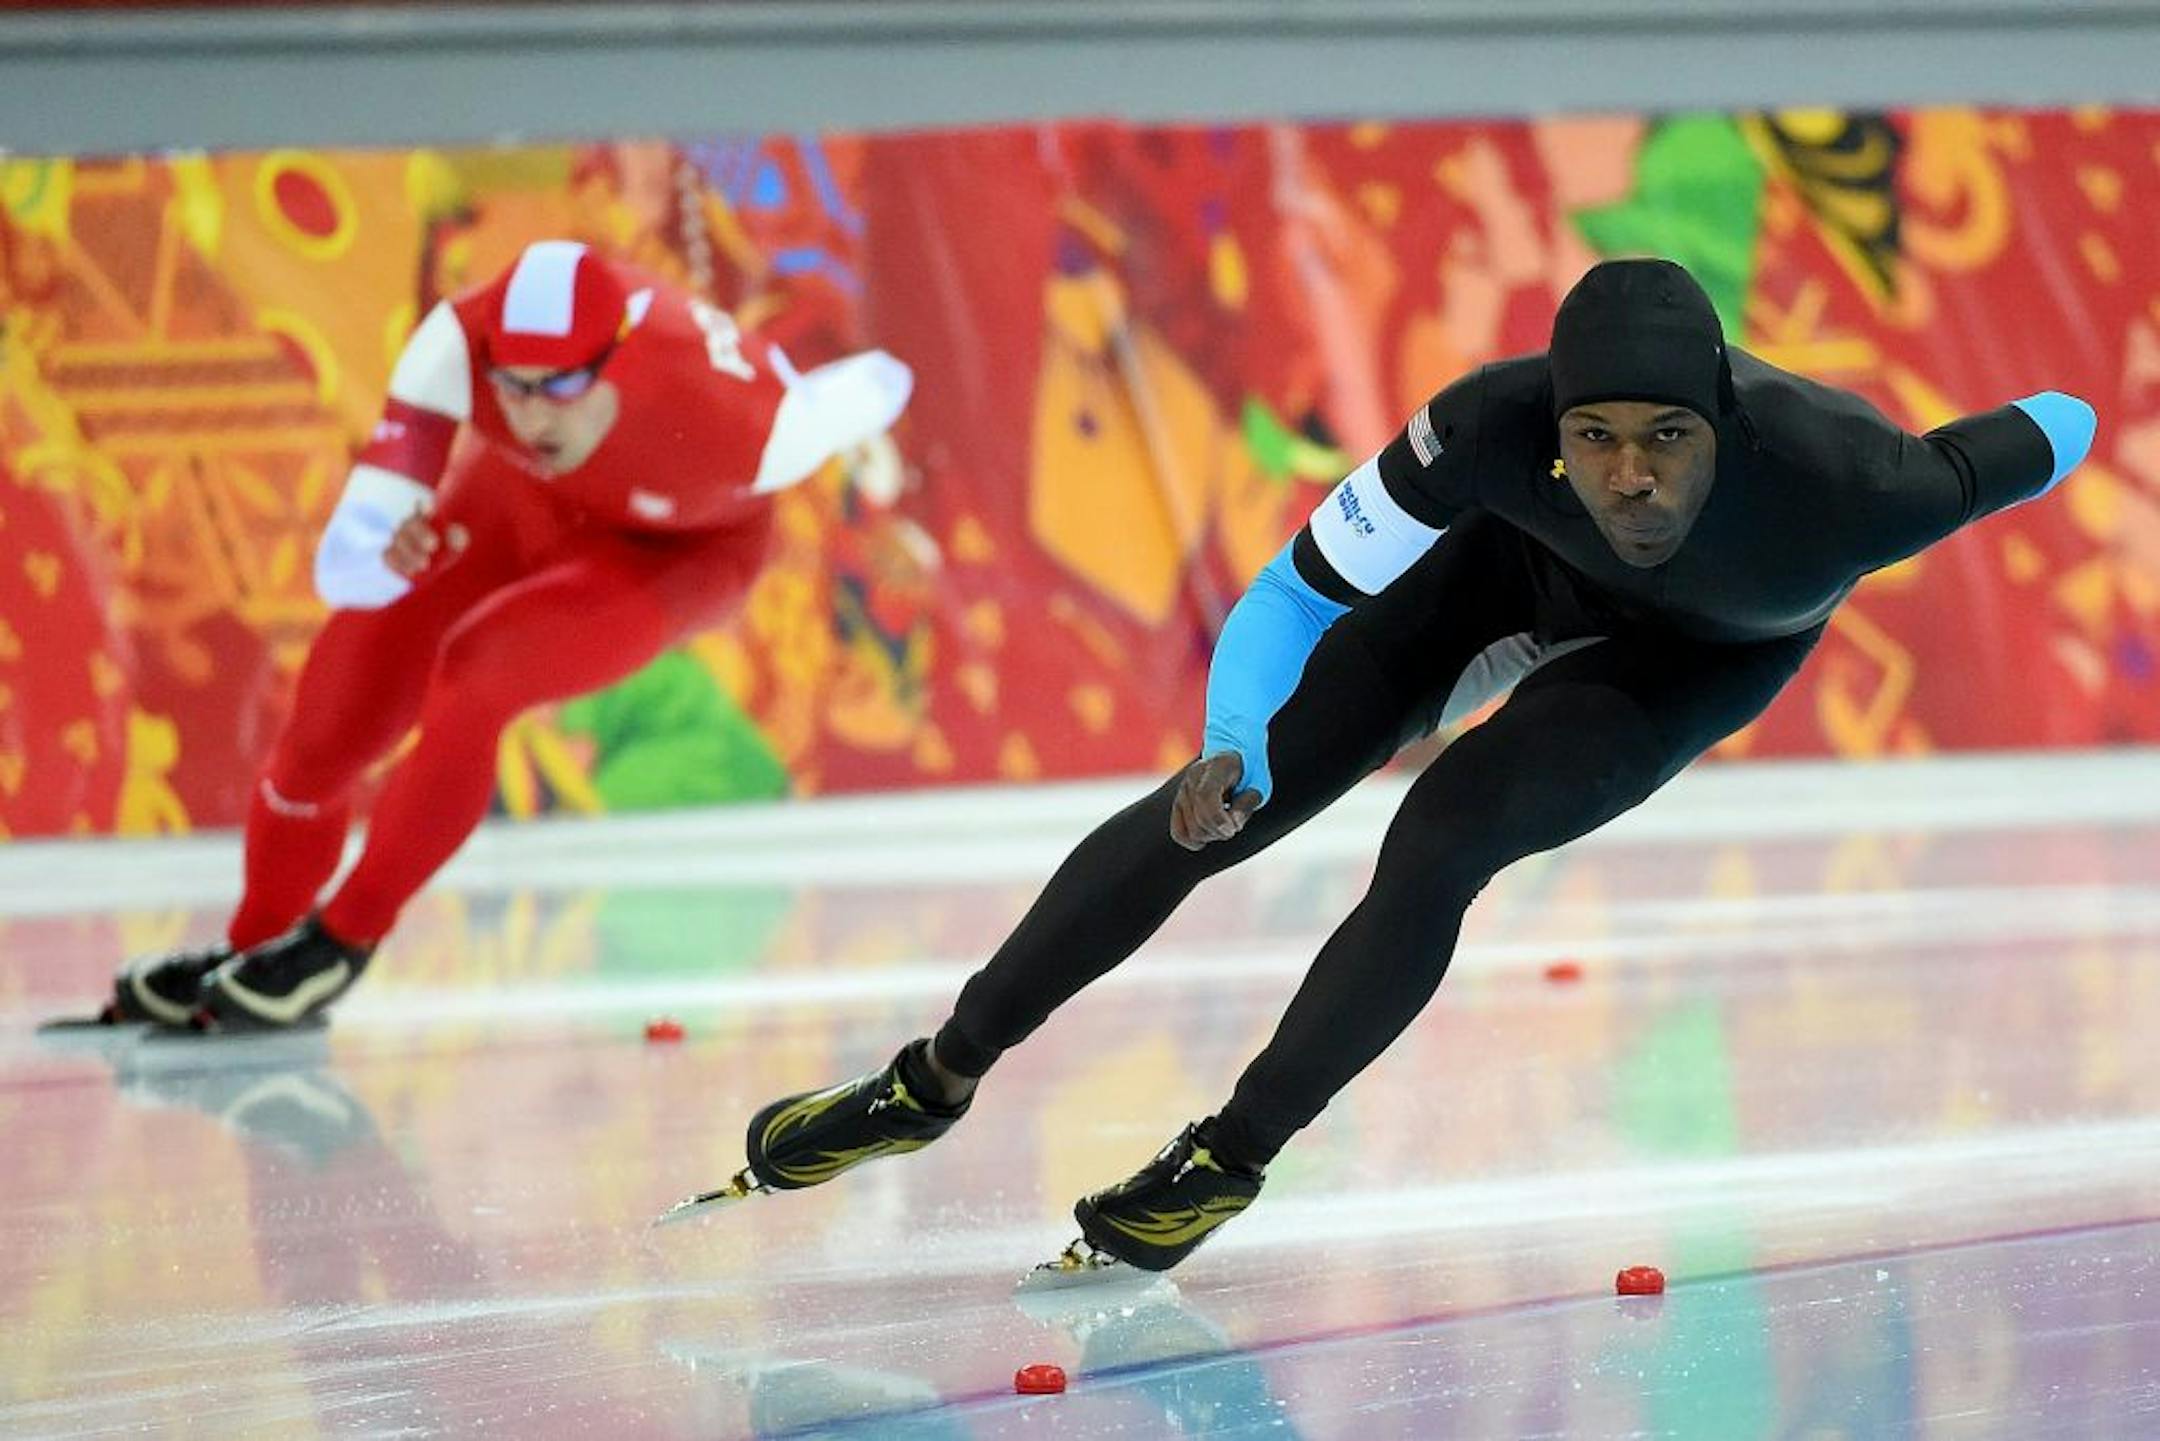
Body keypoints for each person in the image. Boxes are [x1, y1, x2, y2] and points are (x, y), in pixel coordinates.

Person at [699, 257, 2095, 1274]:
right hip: (1503, 576)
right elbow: (1291, 599)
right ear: (1548, 426)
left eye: (1669, 441)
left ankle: (1225, 1160)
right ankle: (930, 1079)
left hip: (1694, 659)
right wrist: (1230, 745)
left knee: (1444, 831)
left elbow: (2058, 423)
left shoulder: (1862, 484)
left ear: (1725, 425)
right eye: (1594, 440)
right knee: (1217, 814)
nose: (1632, 480)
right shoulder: (1480, 426)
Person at [104, 239, 912, 1030]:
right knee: (325, 732)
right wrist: (385, 543)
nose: (528, 412)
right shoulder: (453, 346)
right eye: (511, 386)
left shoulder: (753, 425)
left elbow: (879, 382)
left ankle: (342, 937)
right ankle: (251, 949)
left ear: (616, 357)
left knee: (480, 671)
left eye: (558, 386)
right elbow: (347, 566)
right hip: (517, 503)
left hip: (674, 551)